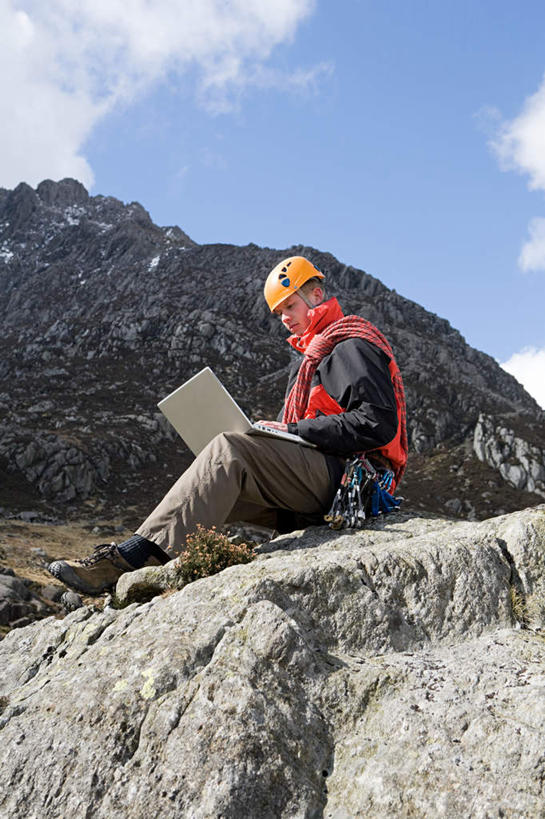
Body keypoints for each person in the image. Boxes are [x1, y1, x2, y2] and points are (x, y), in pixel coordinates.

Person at [48, 256, 407, 595]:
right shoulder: (316, 355)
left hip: (355, 481)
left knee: (230, 451)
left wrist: (293, 433)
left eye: (290, 306)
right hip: (327, 476)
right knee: (210, 486)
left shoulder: (348, 346)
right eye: (279, 311)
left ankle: (133, 559)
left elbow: (377, 423)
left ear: (316, 294)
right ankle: (158, 575)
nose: (284, 317)